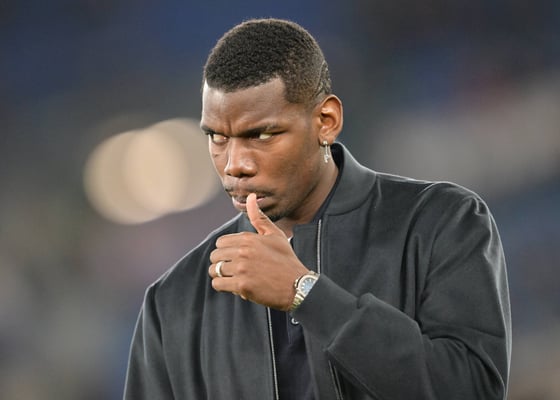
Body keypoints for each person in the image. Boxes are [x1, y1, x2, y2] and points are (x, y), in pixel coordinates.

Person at [123, 18, 511, 400]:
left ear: (326, 121)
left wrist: (307, 294)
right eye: (217, 138)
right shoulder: (173, 299)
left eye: (262, 134)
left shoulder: (443, 222)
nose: (235, 164)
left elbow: (473, 390)